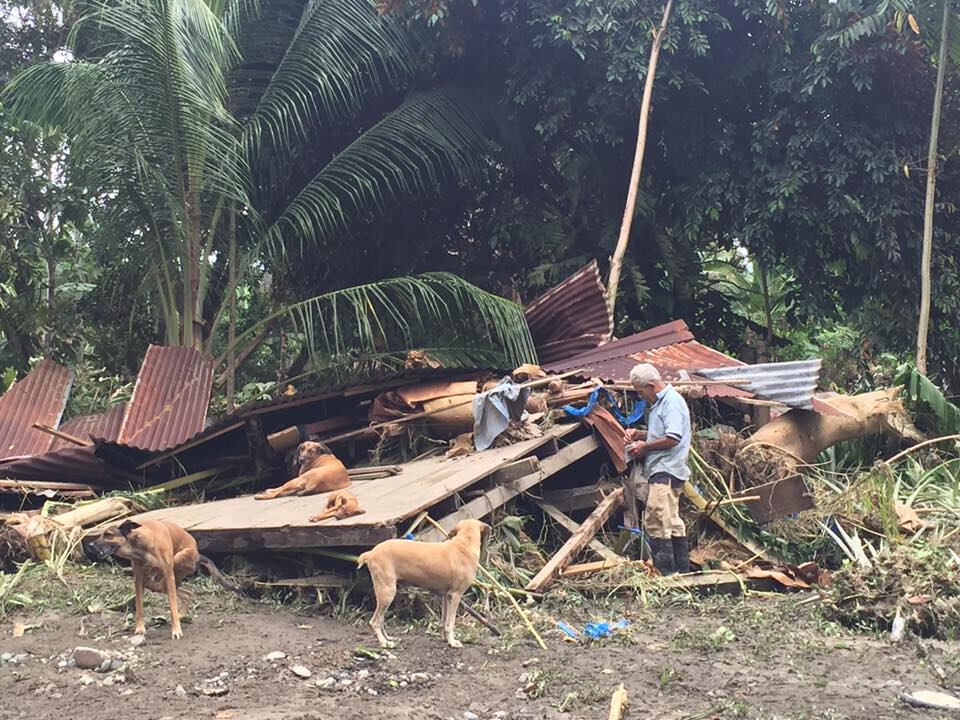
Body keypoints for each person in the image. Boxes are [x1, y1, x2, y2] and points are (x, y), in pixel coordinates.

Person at [624, 363, 691, 575]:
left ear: (651, 386)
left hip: (666, 469)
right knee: (671, 520)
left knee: (656, 518)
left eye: (640, 391)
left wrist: (644, 447)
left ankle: (666, 574)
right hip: (666, 468)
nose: (640, 396)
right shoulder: (660, 404)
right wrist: (640, 435)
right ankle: (683, 572)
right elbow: (663, 434)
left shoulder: (670, 402)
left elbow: (673, 438)